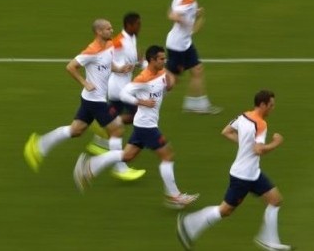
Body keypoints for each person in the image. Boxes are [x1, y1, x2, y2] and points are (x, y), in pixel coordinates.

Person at [73, 45, 199, 209]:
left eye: (164, 58)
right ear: (152, 60)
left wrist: (169, 84)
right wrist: (141, 102)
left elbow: (166, 84)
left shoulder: (159, 72)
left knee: (127, 156)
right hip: (147, 126)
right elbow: (124, 93)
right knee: (167, 156)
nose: (164, 61)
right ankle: (174, 196)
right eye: (161, 59)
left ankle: (90, 167)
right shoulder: (143, 78)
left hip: (144, 124)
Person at [176, 90, 292, 250]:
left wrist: (245, 144)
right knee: (225, 210)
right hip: (243, 177)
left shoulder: (243, 116)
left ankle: (269, 240)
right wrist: (276, 143)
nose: (273, 108)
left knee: (275, 200)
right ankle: (189, 224)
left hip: (253, 173)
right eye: (271, 105)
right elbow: (259, 150)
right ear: (263, 104)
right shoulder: (261, 124)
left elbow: (226, 131)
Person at [23, 19, 133, 173]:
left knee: (76, 130)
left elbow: (108, 63)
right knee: (116, 131)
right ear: (99, 32)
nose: (112, 30)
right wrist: (85, 83)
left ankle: (39, 144)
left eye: (111, 28)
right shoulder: (91, 51)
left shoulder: (109, 45)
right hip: (95, 100)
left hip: (90, 99)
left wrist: (119, 69)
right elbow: (70, 67)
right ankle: (120, 168)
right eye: (108, 29)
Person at [86, 12, 147, 181]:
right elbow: (106, 53)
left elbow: (130, 58)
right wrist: (119, 67)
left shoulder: (132, 37)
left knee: (117, 120)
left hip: (121, 87)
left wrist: (140, 62)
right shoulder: (119, 40)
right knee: (134, 117)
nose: (139, 27)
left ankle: (99, 141)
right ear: (129, 25)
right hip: (119, 89)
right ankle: (119, 167)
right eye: (137, 24)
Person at [165, 0, 221, 114]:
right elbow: (172, 15)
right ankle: (145, 89)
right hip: (178, 46)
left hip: (185, 43)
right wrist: (184, 21)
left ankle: (196, 105)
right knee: (171, 80)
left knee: (197, 69)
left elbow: (176, 9)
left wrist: (193, 13)